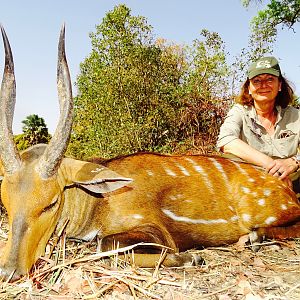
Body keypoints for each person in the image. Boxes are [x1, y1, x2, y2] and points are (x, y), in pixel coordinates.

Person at [217, 56, 300, 191]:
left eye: (269, 79)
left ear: (279, 85)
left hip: (291, 185)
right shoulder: (239, 111)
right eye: (256, 81)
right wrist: (272, 166)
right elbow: (226, 141)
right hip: (251, 186)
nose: (263, 85)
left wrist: (293, 162)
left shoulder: (295, 115)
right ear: (249, 88)